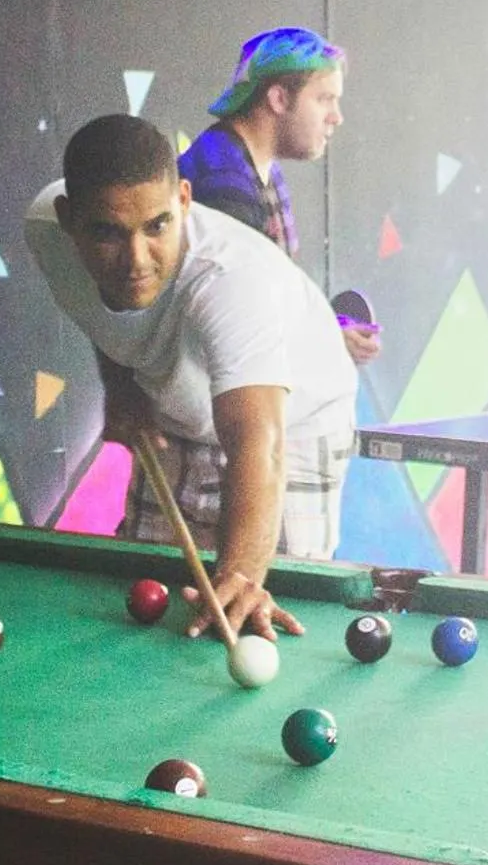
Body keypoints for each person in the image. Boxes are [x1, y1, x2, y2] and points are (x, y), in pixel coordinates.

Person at [26, 114, 356, 640]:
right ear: (70, 220)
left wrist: (244, 574)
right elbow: (104, 314)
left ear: (183, 198)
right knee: (149, 599)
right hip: (180, 408)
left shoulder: (229, 280)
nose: (136, 259)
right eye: (108, 233)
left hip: (293, 424)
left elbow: (257, 442)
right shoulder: (46, 235)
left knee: (252, 609)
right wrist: (121, 387)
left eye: (157, 226)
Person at [178, 27, 380, 368]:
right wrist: (327, 340)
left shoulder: (259, 165)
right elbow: (241, 320)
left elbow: (273, 299)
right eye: (324, 99)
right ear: (279, 99)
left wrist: (329, 330)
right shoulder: (224, 181)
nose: (336, 116)